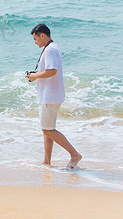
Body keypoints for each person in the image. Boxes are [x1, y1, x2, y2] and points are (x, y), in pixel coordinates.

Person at [25, 24, 82, 168]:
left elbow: (52, 71)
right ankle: (46, 161)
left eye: (35, 39)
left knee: (47, 129)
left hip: (49, 96)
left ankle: (75, 155)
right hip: (51, 95)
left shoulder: (50, 50)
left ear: (42, 35)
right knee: (47, 129)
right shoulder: (52, 48)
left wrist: (35, 76)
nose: (35, 42)